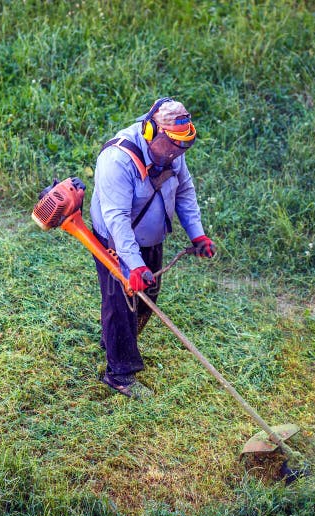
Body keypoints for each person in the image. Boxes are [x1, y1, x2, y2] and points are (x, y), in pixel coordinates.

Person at [89, 97, 216, 399]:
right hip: (116, 243)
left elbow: (184, 191)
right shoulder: (117, 160)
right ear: (150, 132)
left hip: (151, 240)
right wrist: (134, 265)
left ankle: (115, 341)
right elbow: (117, 219)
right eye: (173, 145)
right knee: (121, 303)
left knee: (147, 300)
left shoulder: (173, 152)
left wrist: (196, 234)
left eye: (183, 147)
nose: (177, 153)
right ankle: (119, 374)